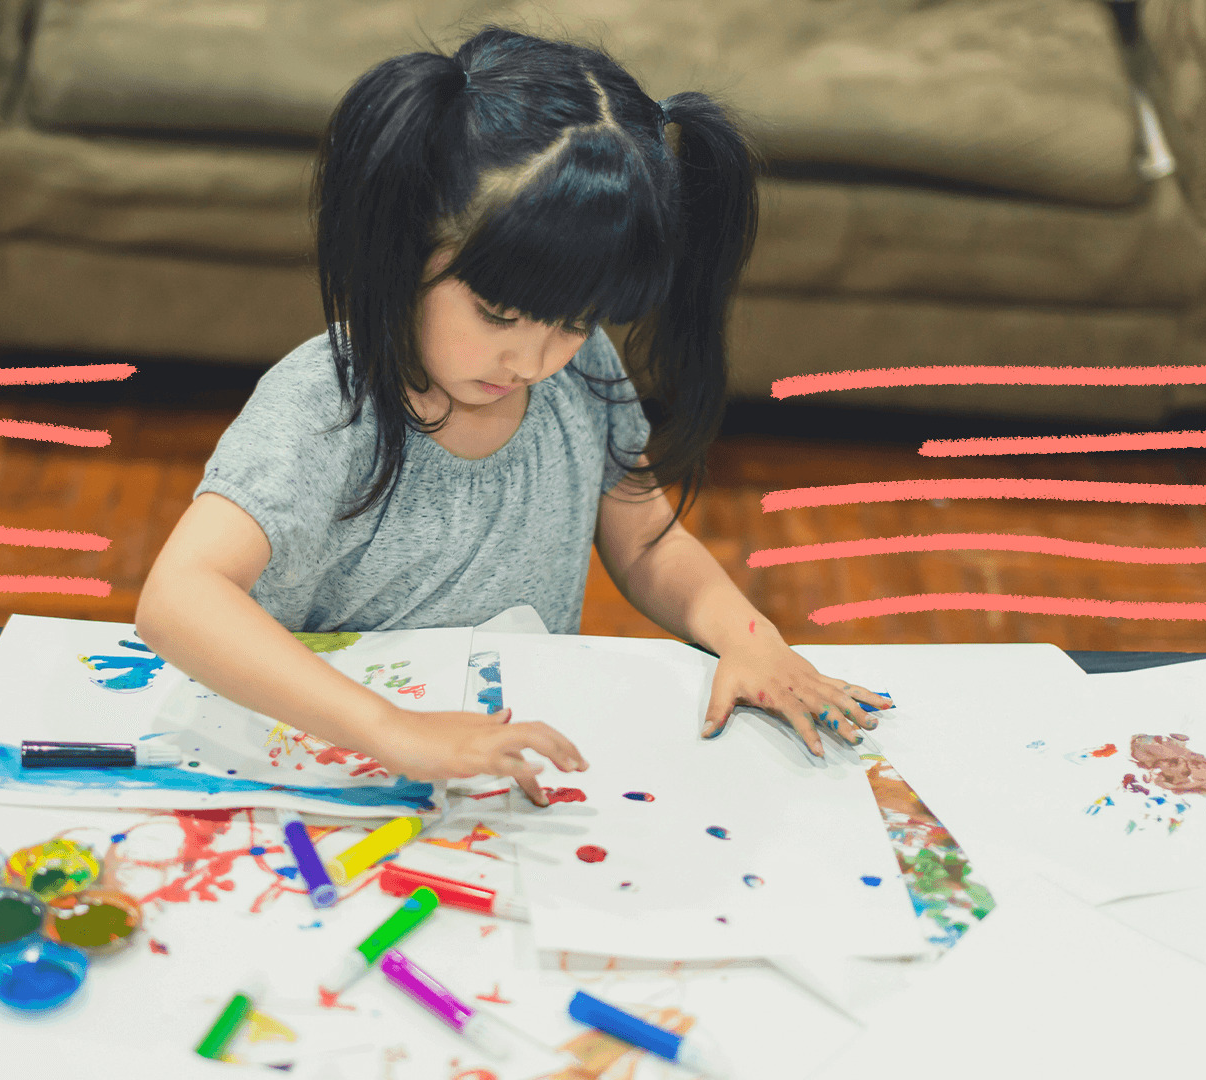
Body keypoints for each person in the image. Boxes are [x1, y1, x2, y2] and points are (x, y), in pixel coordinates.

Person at [135, 27, 891, 805]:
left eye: (572, 320)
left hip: (498, 766)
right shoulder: (328, 404)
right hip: (325, 762)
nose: (534, 363)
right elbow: (179, 598)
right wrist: (393, 729)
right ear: (401, 250)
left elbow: (644, 537)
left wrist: (748, 639)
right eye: (498, 313)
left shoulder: (583, 366)